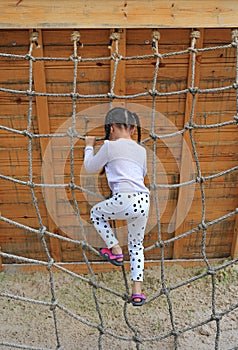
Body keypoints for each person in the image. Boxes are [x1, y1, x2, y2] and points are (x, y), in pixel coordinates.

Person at [84, 107, 150, 306]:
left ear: (111, 128)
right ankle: (137, 292)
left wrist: (89, 146)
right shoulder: (142, 150)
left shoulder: (109, 146)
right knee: (137, 245)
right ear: (132, 129)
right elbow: (142, 172)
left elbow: (90, 166)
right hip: (144, 201)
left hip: (125, 198)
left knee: (96, 213)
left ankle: (115, 248)